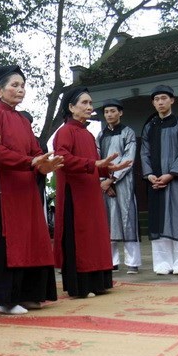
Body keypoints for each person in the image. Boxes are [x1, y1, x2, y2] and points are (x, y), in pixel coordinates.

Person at [0, 65, 62, 315]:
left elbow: (35, 149)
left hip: (25, 186)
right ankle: (7, 299)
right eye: (14, 85)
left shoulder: (23, 119)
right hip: (3, 186)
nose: (20, 90)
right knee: (8, 241)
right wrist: (30, 162)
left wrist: (43, 162)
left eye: (22, 85)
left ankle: (30, 294)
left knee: (31, 239)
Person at [53, 87, 131, 298]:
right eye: (84, 103)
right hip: (75, 194)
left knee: (95, 236)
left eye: (90, 103)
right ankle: (81, 286)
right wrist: (95, 163)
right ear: (71, 107)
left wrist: (107, 168)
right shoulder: (65, 132)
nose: (90, 107)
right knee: (80, 238)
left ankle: (97, 283)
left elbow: (93, 163)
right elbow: (62, 158)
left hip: (90, 192)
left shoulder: (87, 134)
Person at [140, 85, 178, 275]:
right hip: (154, 181)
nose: (160, 102)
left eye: (164, 98)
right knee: (158, 221)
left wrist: (171, 174)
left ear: (172, 100)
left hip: (175, 180)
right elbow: (144, 152)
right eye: (157, 99)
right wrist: (149, 175)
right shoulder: (150, 126)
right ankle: (162, 264)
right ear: (153, 103)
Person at [96, 98, 141, 274]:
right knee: (108, 221)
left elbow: (128, 158)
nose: (109, 114)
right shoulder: (100, 135)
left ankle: (132, 262)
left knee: (128, 219)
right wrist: (104, 182)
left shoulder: (128, 132)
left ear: (120, 113)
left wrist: (112, 179)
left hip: (124, 182)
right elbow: (98, 160)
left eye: (113, 111)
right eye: (106, 112)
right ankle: (111, 261)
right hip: (105, 184)